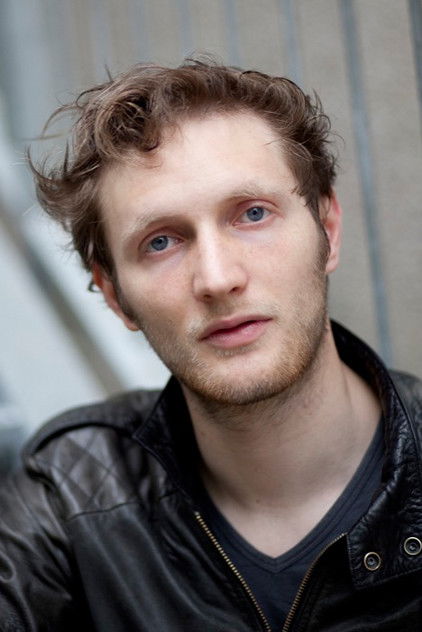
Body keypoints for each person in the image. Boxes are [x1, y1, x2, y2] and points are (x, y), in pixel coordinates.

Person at [1, 58, 421, 632]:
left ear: (327, 229)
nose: (218, 278)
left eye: (252, 214)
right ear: (115, 296)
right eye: (161, 242)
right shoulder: (71, 498)